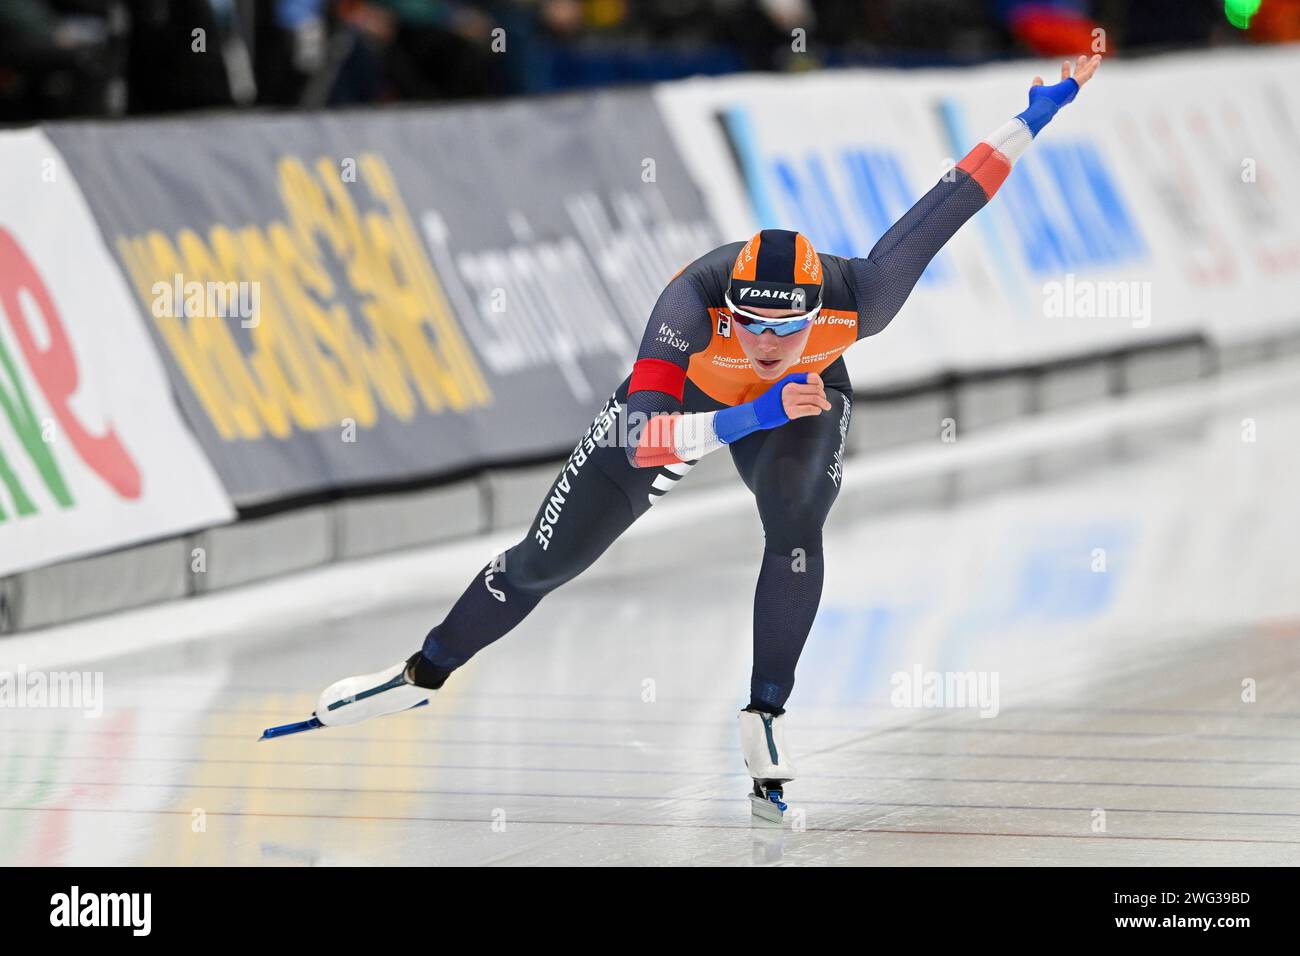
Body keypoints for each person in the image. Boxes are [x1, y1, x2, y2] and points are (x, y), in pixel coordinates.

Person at [300, 54, 1102, 818]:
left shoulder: (867, 294)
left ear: (818, 312)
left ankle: (765, 712)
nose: (764, 342)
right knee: (547, 563)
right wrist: (759, 405)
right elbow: (649, 439)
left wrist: (1034, 114)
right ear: (732, 306)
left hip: (796, 408)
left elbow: (953, 199)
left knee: (795, 518)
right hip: (685, 404)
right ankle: (422, 670)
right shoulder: (688, 304)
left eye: (786, 328)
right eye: (750, 324)